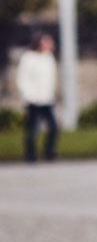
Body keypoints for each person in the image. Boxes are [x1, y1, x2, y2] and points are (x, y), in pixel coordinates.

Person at [17, 33, 59, 163]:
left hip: (46, 99)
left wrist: (51, 94)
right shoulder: (28, 58)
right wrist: (29, 95)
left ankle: (49, 152)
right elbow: (22, 79)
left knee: (53, 127)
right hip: (33, 100)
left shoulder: (48, 58)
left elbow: (50, 79)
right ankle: (30, 155)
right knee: (32, 129)